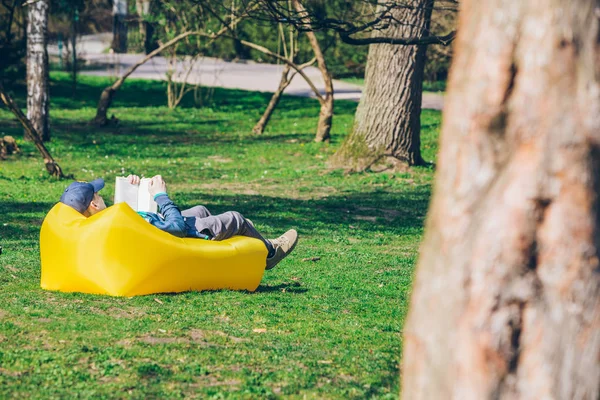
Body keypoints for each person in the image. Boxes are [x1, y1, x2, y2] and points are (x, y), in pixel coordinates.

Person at [59, 175, 298, 270]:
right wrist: (161, 195)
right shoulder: (114, 222)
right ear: (93, 204)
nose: (102, 196)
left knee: (201, 209)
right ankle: (269, 252)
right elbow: (175, 228)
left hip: (159, 228)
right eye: (98, 195)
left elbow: (137, 221)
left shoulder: (100, 223)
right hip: (180, 235)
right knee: (236, 218)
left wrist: (132, 189)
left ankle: (244, 232)